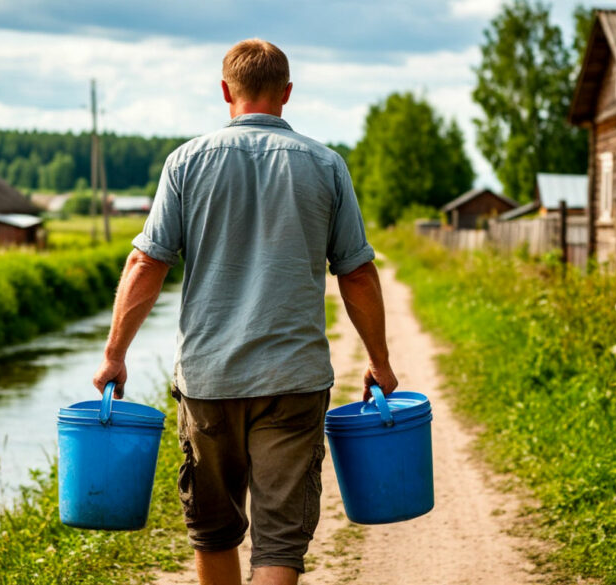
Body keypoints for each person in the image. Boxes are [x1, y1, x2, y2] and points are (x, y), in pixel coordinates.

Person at [93, 38, 397, 585]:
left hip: (210, 381)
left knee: (213, 531)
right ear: (286, 94)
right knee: (279, 542)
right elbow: (355, 271)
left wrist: (115, 354)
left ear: (225, 90)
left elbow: (146, 262)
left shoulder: (185, 162)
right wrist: (379, 360)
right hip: (294, 380)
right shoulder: (326, 166)